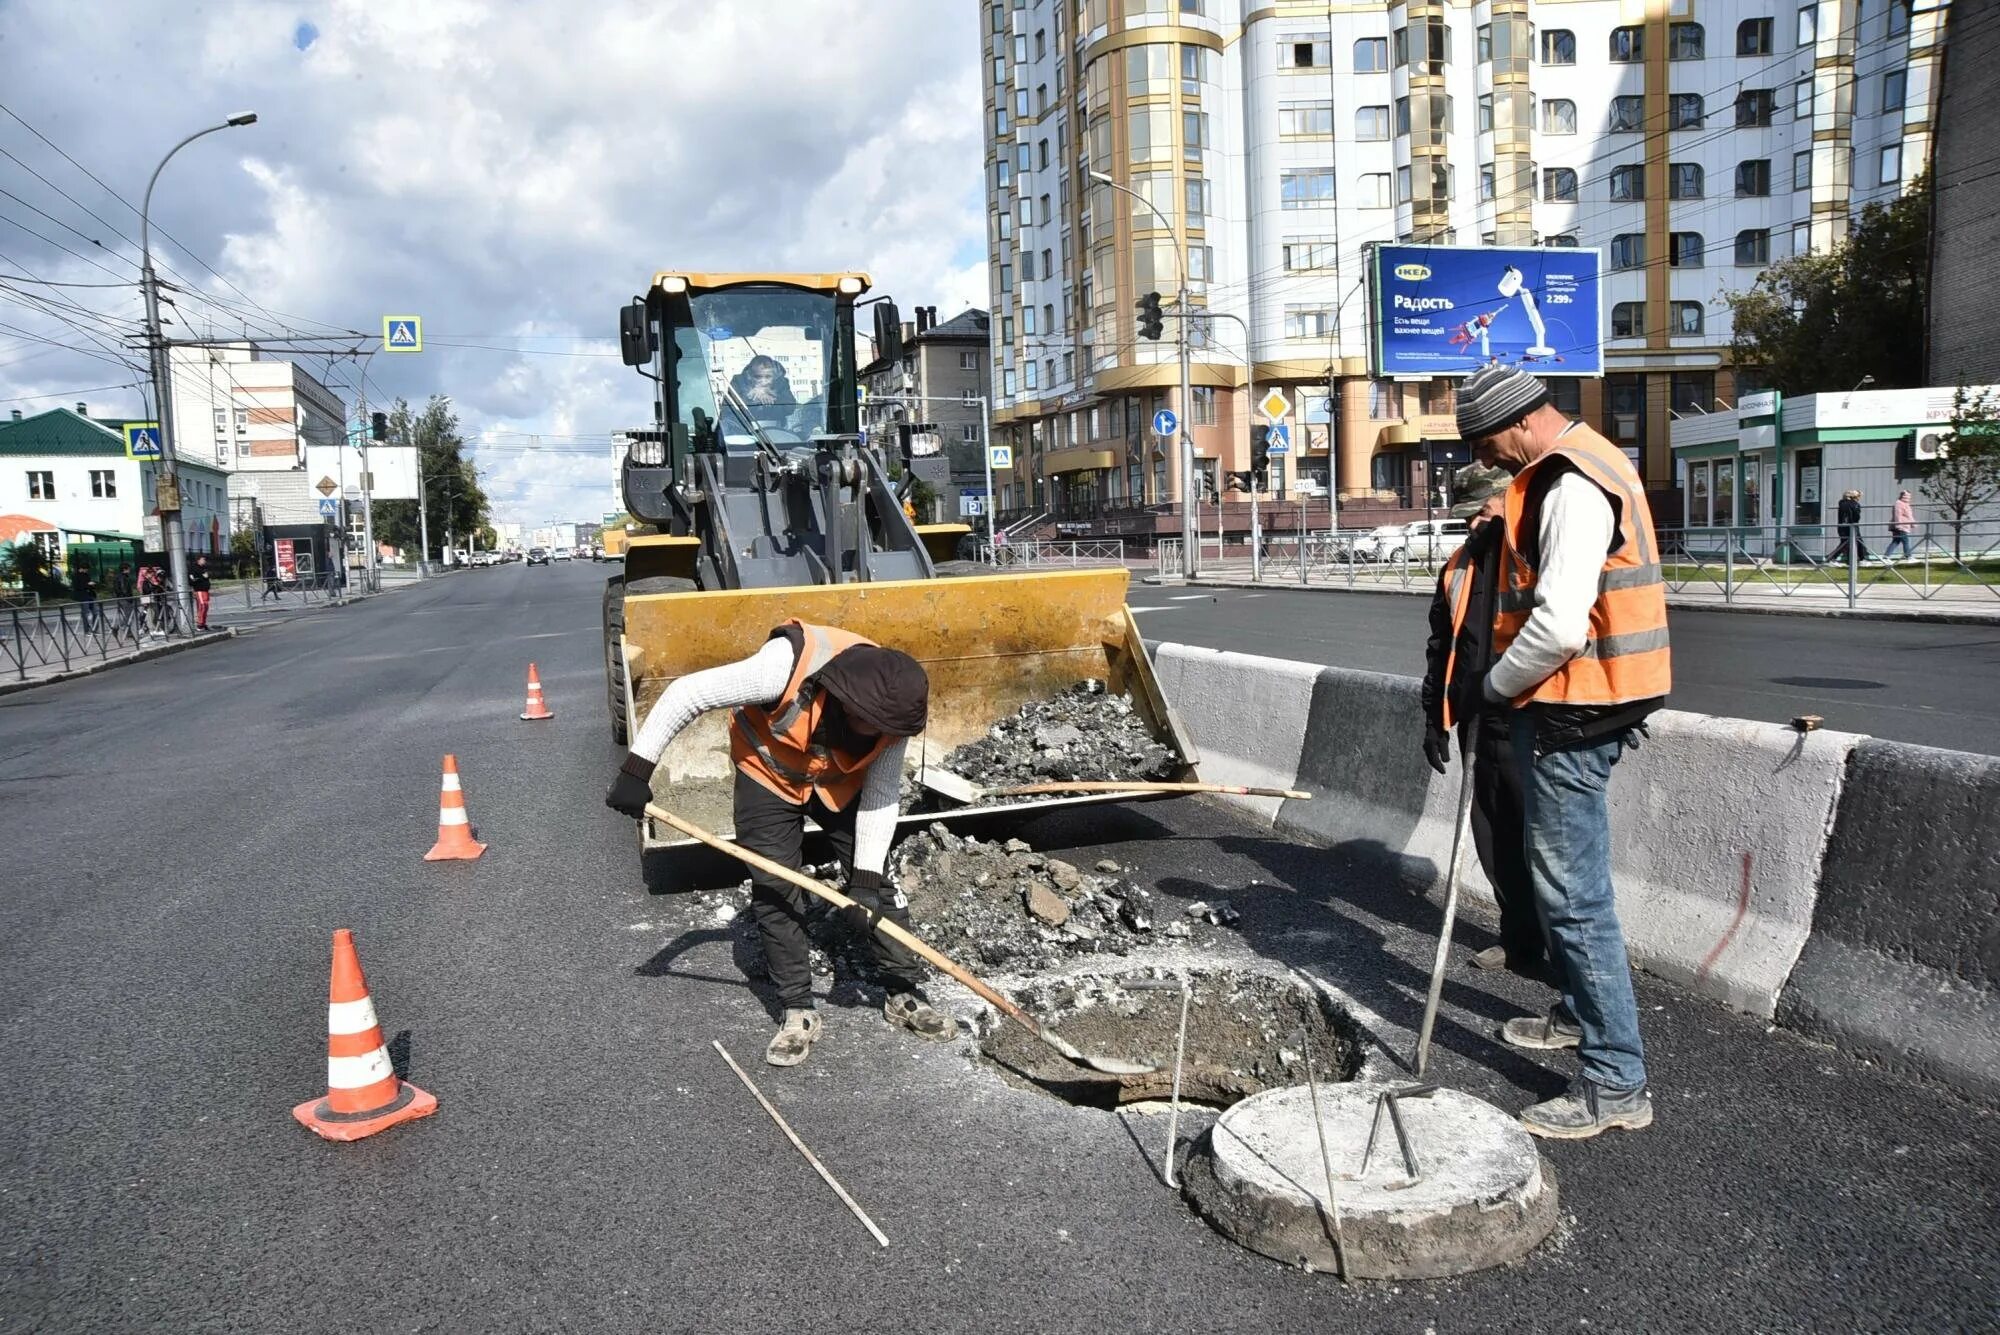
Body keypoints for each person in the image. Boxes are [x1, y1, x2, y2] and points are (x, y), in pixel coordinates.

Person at [1454, 363, 1671, 1140]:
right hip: (1593, 703)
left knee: (1573, 897)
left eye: (1485, 444)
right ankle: (1582, 1014)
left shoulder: (1568, 486)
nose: (1486, 460)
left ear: (1515, 422)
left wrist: (1492, 687)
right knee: (1565, 887)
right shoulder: (1587, 459)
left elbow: (1556, 627)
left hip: (1574, 711)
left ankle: (1616, 1082)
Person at [605, 620, 954, 1067]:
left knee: (879, 886)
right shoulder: (782, 668)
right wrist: (637, 771)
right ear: (847, 700)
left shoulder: (894, 715)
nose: (880, 736)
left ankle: (903, 992)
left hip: (835, 783)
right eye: (872, 726)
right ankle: (797, 1010)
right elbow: (686, 694)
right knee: (774, 887)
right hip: (767, 774)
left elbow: (882, 795)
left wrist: (863, 882)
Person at [1421, 461, 1547, 982]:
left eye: (1483, 510)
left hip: (1533, 720)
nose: (1475, 523)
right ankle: (1518, 940)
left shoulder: (1532, 556)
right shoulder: (1458, 567)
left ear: (1508, 499)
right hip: (1480, 723)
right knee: (1493, 840)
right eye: (1467, 516)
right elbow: (1440, 647)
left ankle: (1566, 962)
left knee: (1542, 843)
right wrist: (1434, 717)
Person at [1834, 489, 1869, 565]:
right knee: (1858, 542)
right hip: (1852, 525)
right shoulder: (1854, 504)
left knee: (1845, 543)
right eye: (1859, 496)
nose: (1859, 498)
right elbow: (1856, 516)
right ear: (1855, 497)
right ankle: (1861, 559)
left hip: (1842, 526)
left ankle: (1849, 561)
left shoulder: (1842, 503)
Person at [1885, 490, 1916, 561]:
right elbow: (1897, 515)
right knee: (1906, 541)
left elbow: (1909, 516)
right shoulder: (1899, 503)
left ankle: (1886, 556)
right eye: (1907, 496)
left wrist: (1912, 523)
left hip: (1902, 525)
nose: (1909, 498)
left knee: (1896, 541)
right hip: (1901, 526)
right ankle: (1909, 556)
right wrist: (1898, 525)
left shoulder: (1905, 504)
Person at [69, 560, 99, 632]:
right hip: (82, 596)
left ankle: (95, 629)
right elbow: (77, 586)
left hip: (90, 595)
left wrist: (93, 585)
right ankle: (87, 630)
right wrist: (88, 585)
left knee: (95, 612)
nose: (87, 570)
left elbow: (88, 584)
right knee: (85, 613)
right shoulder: (75, 576)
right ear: (82, 568)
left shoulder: (86, 575)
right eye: (86, 569)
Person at [188, 555, 212, 631]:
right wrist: (203, 577)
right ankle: (200, 624)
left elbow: (206, 576)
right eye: (203, 559)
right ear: (198, 560)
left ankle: (203, 623)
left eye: (205, 560)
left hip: (205, 590)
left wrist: (205, 577)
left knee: (206, 606)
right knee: (202, 606)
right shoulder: (194, 568)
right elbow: (192, 579)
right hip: (199, 590)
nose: (204, 561)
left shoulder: (203, 568)